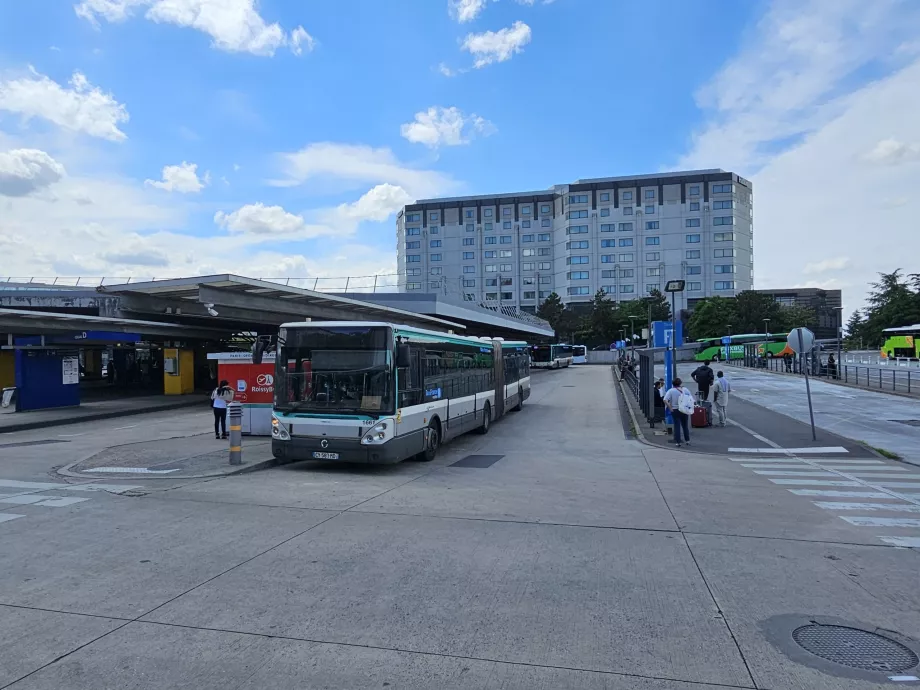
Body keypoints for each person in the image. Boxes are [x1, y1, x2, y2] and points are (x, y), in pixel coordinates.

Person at [663, 377, 694, 447]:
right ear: (680, 383)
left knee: (677, 426)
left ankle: (678, 442)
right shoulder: (685, 389)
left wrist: (670, 407)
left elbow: (665, 399)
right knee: (685, 425)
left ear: (673, 384)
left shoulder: (671, 391)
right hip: (684, 409)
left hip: (675, 410)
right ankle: (687, 440)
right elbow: (691, 398)